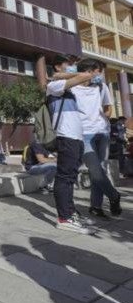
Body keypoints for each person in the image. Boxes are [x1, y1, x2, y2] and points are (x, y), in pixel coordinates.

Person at [46, 57, 102, 234]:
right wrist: (83, 73)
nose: (71, 70)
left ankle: (71, 213)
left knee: (70, 177)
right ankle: (64, 218)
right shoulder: (53, 87)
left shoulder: (73, 91)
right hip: (66, 136)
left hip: (76, 138)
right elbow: (69, 77)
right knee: (64, 177)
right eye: (68, 68)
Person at [68, 62, 122, 218]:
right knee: (96, 171)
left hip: (102, 132)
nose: (101, 75)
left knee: (100, 170)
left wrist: (103, 117)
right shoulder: (72, 87)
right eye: (99, 72)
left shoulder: (101, 87)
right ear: (89, 72)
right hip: (83, 134)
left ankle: (95, 206)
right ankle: (114, 196)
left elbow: (108, 107)